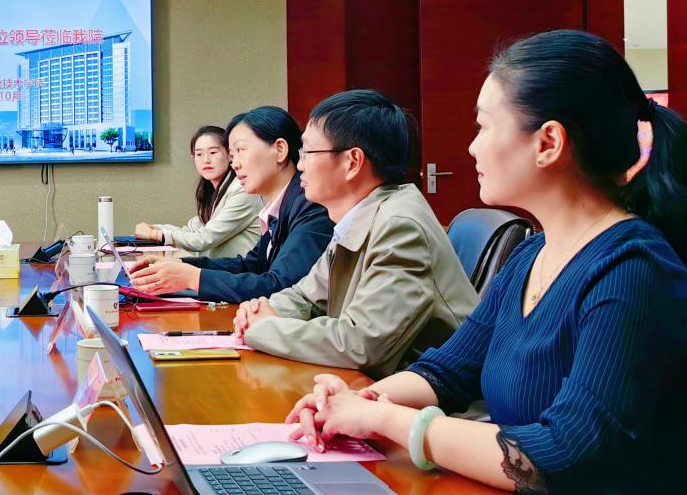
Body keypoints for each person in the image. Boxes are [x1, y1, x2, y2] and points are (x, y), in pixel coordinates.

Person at [286, 31, 687, 492]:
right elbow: (447, 372)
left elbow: (559, 457)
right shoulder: (532, 254)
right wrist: (359, 399)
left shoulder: (633, 270)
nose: (473, 147)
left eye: (484, 126)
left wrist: (384, 419)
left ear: (548, 142)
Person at [232, 89, 477, 376]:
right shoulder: (356, 216)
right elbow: (306, 296)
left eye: (307, 152)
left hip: (429, 394)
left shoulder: (399, 227)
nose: (299, 165)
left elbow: (361, 344)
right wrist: (261, 311)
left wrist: (265, 328)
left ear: (352, 162)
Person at [129, 106, 332, 303]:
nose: (234, 164)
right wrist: (179, 265)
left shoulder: (310, 207)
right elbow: (252, 265)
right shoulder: (283, 205)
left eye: (241, 150)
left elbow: (279, 286)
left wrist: (192, 277)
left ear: (280, 149)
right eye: (232, 156)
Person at [133, 125, 262, 258]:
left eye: (213, 152)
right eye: (199, 154)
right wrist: (155, 228)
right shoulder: (214, 191)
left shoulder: (242, 190)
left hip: (239, 270)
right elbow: (191, 231)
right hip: (219, 268)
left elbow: (204, 238)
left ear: (230, 155)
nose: (206, 160)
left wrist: (154, 234)